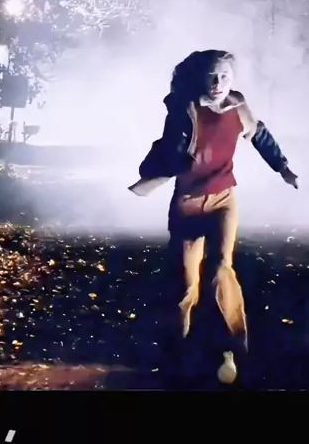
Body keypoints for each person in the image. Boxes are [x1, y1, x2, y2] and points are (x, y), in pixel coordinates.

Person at [128, 50, 298, 384]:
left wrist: (283, 168)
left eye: (225, 76)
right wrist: (167, 159)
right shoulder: (185, 109)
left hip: (223, 199)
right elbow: (169, 151)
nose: (219, 83)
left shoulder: (238, 107)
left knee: (222, 269)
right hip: (188, 203)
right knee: (186, 285)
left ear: (233, 79)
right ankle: (178, 352)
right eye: (212, 76)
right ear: (199, 78)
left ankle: (234, 347)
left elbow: (260, 134)